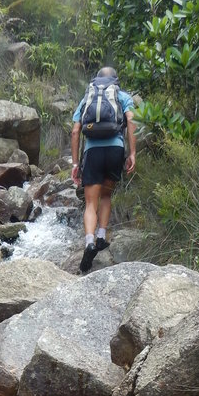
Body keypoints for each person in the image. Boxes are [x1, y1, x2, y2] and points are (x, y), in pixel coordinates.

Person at [71, 67, 136, 273]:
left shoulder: (87, 98)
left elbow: (75, 131)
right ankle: (101, 236)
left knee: (91, 202)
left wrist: (75, 164)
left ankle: (89, 242)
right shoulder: (122, 96)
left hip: (93, 151)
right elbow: (131, 121)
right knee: (106, 195)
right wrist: (132, 153)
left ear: (97, 79)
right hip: (115, 149)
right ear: (116, 80)